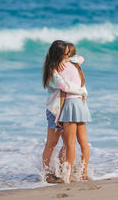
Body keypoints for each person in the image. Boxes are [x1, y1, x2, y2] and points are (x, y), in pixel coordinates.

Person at [42, 40, 87, 183]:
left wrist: (67, 58)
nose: (69, 56)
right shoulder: (52, 71)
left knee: (67, 143)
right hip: (55, 111)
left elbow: (80, 58)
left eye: (69, 53)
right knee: (52, 143)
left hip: (65, 109)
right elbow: (64, 85)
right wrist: (82, 91)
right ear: (58, 54)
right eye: (66, 53)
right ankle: (46, 173)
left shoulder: (64, 63)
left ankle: (62, 170)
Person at [58, 42, 91, 182]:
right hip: (81, 103)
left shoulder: (62, 67)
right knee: (83, 141)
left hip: (70, 104)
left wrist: (58, 114)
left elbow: (62, 92)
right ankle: (83, 173)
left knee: (70, 143)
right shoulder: (76, 66)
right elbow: (80, 58)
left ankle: (68, 175)